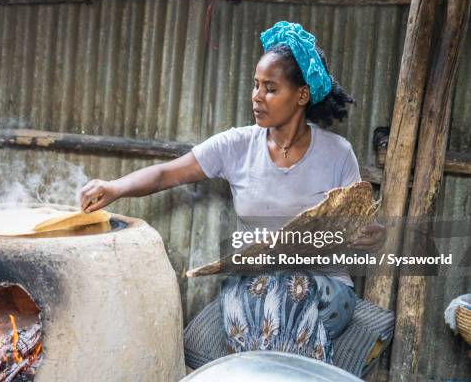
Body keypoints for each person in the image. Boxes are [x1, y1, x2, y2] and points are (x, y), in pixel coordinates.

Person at [79, 21, 384, 364]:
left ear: (301, 95)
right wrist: (115, 187)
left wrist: (369, 236)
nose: (256, 96)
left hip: (324, 288)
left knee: (288, 292)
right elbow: (167, 172)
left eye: (270, 88)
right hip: (254, 282)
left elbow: (359, 223)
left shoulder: (337, 152)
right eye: (255, 85)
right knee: (257, 293)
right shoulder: (237, 145)